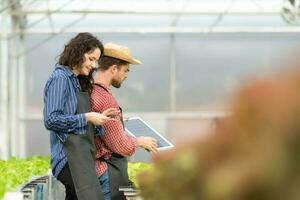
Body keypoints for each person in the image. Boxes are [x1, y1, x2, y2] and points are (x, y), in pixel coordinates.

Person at [43, 33, 117, 200]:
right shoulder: (60, 79)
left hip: (80, 157)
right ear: (78, 53)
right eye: (91, 59)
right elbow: (51, 120)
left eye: (96, 61)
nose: (93, 65)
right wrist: (87, 117)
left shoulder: (76, 81)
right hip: (68, 159)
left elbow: (79, 124)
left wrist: (99, 119)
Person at [91, 43, 158, 200]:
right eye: (125, 70)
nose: (126, 75)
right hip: (107, 174)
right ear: (114, 69)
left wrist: (119, 122)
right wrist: (141, 141)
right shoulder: (106, 100)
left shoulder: (92, 91)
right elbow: (120, 146)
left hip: (95, 172)